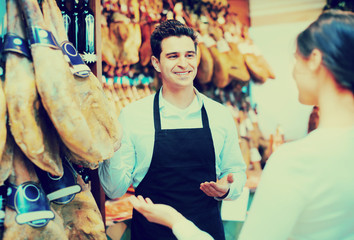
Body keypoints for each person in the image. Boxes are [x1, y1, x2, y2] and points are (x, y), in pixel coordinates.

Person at [128, 9, 354, 240]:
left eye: (296, 58)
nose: (294, 71)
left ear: (315, 60)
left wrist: (174, 220)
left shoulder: (294, 162)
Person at [98, 19, 247, 240]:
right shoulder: (132, 116)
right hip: (151, 234)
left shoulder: (219, 114)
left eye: (189, 55)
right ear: (156, 63)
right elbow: (113, 190)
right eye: (173, 56)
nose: (184, 64)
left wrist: (227, 189)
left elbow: (237, 172)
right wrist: (108, 144)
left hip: (205, 233)